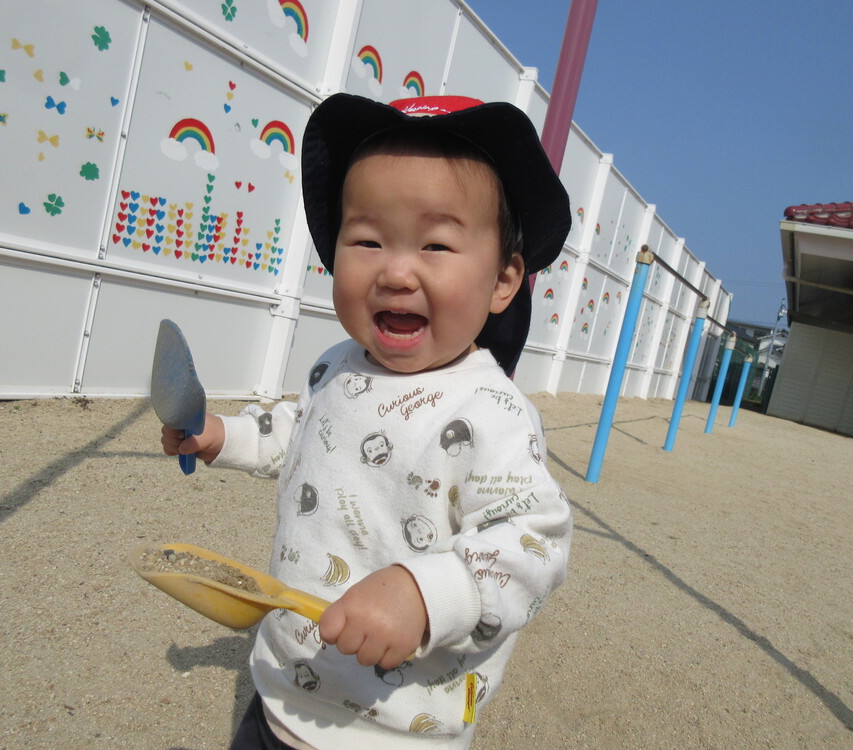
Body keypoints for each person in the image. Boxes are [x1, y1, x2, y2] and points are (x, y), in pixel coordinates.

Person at [162, 93, 573, 749]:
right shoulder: (337, 365)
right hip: (284, 686)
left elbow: (533, 541)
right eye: (368, 240)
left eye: (436, 244)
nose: (396, 271)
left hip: (396, 724)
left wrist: (424, 593)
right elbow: (298, 433)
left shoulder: (490, 411)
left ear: (503, 280)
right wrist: (222, 435)